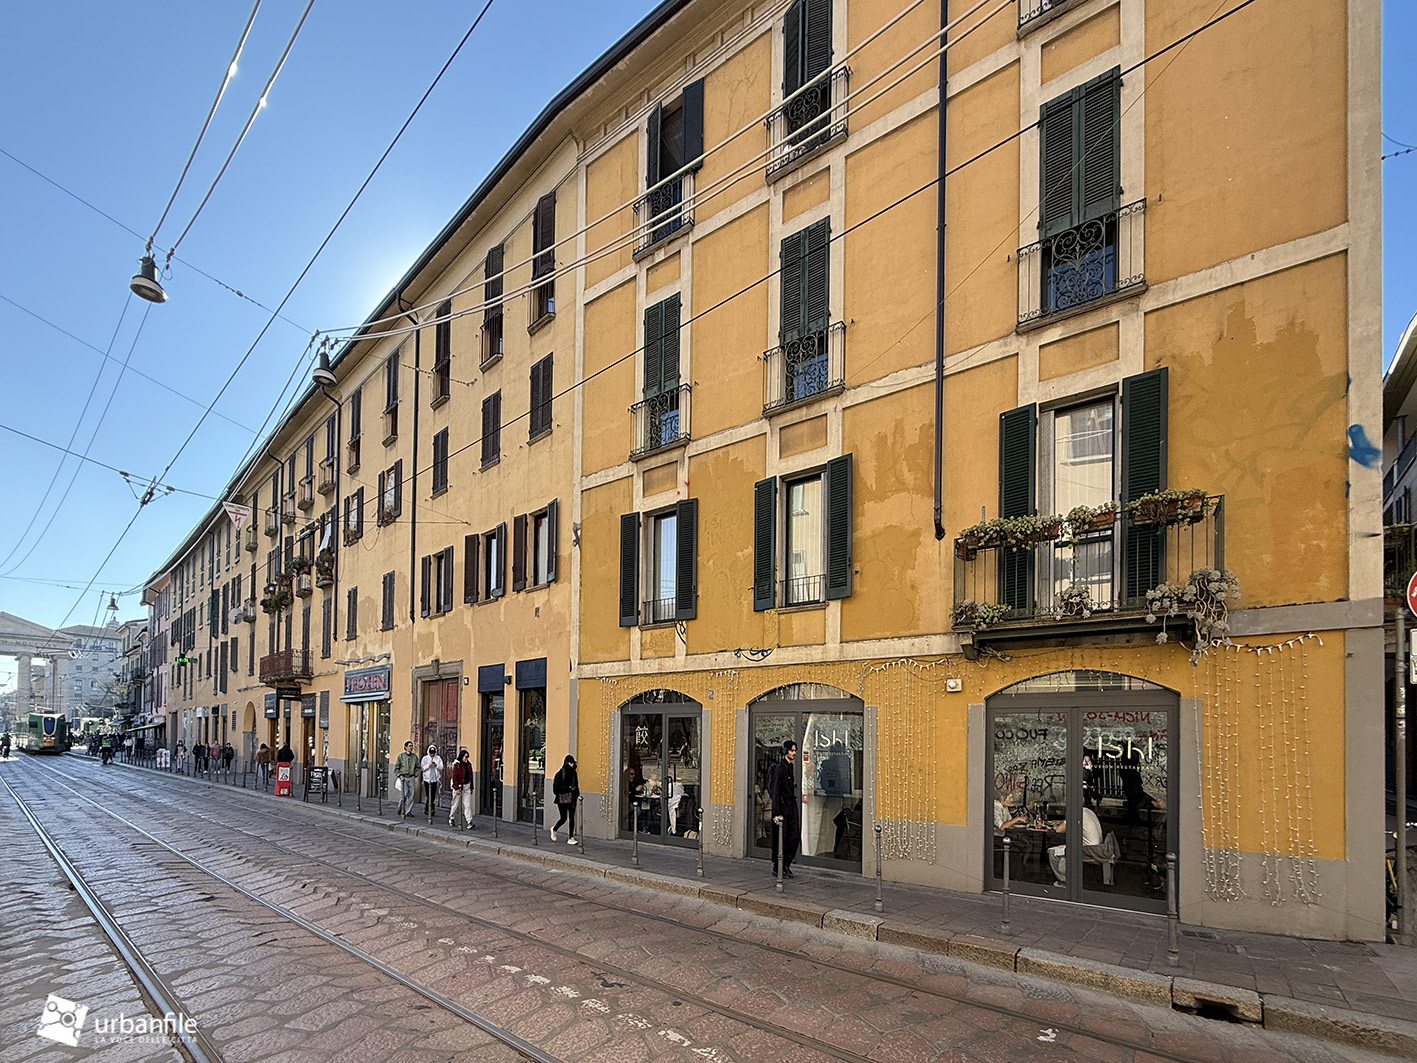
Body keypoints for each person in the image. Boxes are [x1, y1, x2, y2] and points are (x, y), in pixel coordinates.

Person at [1048, 802, 1103, 885]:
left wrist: (1063, 822)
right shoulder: (1088, 811)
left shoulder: (1075, 812)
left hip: (1087, 849)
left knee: (1053, 852)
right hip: (1097, 848)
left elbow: (1059, 830)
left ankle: (1065, 881)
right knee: (1064, 849)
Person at [767, 740, 800, 878]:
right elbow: (775, 791)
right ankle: (778, 867)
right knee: (782, 838)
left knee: (794, 837)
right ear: (785, 751)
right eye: (792, 750)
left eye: (795, 750)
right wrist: (776, 812)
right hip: (782, 808)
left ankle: (786, 864)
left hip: (791, 806)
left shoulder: (789, 767)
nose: (794, 753)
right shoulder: (779, 769)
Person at [551, 755, 579, 845]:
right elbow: (555, 788)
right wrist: (567, 788)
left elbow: (576, 785)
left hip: (572, 799)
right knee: (563, 818)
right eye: (571, 763)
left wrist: (576, 795)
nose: (572, 764)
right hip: (562, 799)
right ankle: (554, 829)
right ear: (567, 763)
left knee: (572, 818)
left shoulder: (574, 773)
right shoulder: (560, 773)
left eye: (573, 763)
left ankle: (570, 837)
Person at [449, 749, 476, 830]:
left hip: (467, 786)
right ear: (461, 757)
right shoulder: (457, 765)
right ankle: (451, 818)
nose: (467, 759)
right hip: (459, 787)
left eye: (468, 757)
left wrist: (471, 787)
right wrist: (456, 788)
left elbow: (471, 776)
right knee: (455, 804)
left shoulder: (469, 765)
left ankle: (469, 821)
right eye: (466, 757)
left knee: (467, 805)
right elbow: (455, 777)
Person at [394, 741, 419, 818]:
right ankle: (400, 806)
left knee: (411, 795)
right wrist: (399, 775)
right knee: (404, 794)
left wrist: (415, 774)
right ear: (405, 747)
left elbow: (418, 767)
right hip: (403, 777)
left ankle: (408, 811)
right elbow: (396, 767)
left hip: (411, 777)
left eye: (412, 746)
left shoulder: (414, 757)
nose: (411, 747)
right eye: (409, 746)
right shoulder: (401, 756)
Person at [421, 744, 444, 822]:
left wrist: (436, 765)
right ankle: (430, 808)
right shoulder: (425, 758)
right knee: (428, 794)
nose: (432, 755)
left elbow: (441, 767)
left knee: (433, 795)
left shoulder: (438, 758)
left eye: (433, 753)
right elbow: (422, 768)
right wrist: (429, 765)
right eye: (431, 753)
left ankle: (429, 808)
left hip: (435, 779)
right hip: (427, 779)